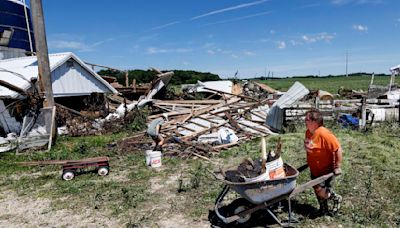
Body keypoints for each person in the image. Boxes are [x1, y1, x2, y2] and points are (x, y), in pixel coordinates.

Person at [304, 109, 343, 216]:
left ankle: (336, 198)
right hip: (315, 169)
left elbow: (337, 149)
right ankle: (323, 210)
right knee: (317, 190)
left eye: (307, 119)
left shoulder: (324, 134)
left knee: (322, 191)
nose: (305, 121)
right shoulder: (308, 132)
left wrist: (337, 166)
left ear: (314, 121)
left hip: (326, 169)